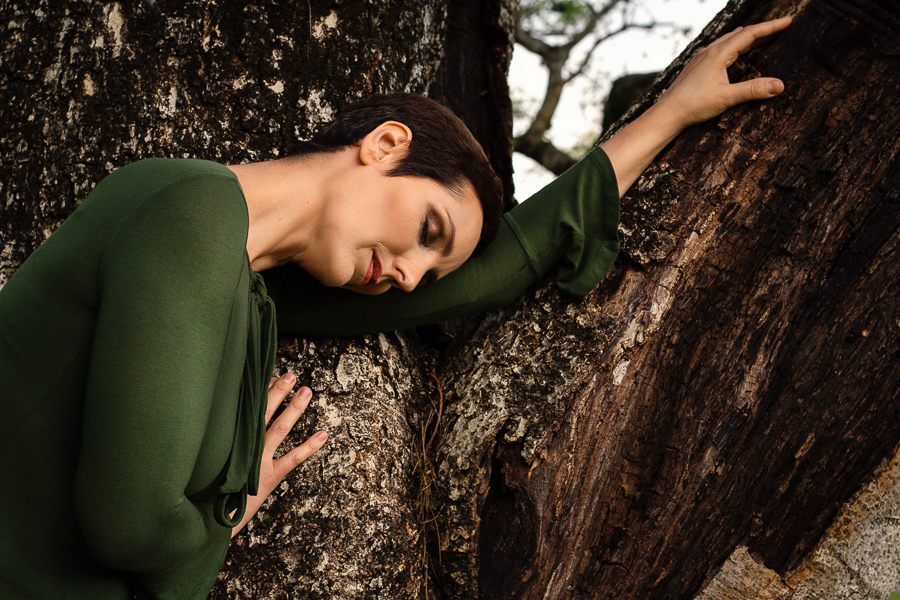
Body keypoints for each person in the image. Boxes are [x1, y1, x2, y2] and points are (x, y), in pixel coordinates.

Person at [0, 17, 791, 600]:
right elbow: (131, 525)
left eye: (427, 265)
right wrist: (223, 516)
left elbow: (486, 277)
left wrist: (673, 114)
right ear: (384, 145)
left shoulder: (248, 288)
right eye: (427, 230)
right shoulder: (192, 210)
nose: (411, 278)